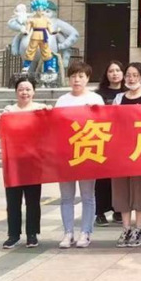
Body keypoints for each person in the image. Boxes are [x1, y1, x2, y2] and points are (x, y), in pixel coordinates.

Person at [0, 75, 50, 249]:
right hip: (13, 162)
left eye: (28, 89)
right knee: (13, 200)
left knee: (33, 200)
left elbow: (51, 128)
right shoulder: (9, 111)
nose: (24, 92)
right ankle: (13, 235)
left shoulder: (40, 108)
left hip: (33, 161)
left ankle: (32, 234)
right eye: (21, 89)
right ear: (16, 92)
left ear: (34, 92)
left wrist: (49, 112)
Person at [54, 61, 105, 249]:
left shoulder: (95, 99)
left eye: (81, 76)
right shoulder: (62, 100)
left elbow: (104, 124)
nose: (77, 80)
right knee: (66, 196)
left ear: (87, 79)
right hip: (66, 153)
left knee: (87, 196)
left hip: (87, 152)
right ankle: (68, 232)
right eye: (73, 76)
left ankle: (86, 232)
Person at [111, 63, 141, 247]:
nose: (131, 78)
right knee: (121, 190)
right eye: (128, 75)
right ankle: (126, 228)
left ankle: (139, 228)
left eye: (135, 75)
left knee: (139, 189)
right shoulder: (118, 98)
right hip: (120, 150)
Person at [94, 60, 125, 226]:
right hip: (103, 140)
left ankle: (118, 210)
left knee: (119, 178)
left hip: (121, 141)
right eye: (111, 71)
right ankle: (99, 212)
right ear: (106, 74)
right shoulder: (98, 95)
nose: (115, 74)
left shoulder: (128, 93)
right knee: (102, 178)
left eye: (118, 70)